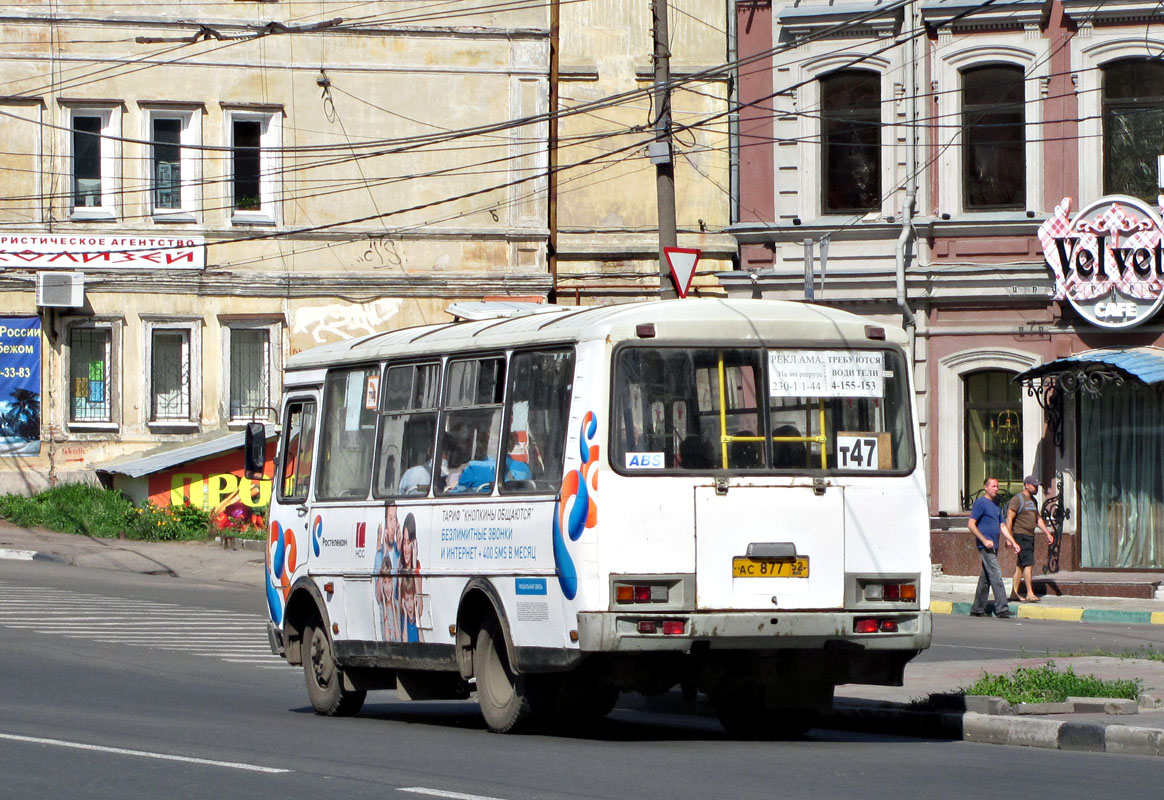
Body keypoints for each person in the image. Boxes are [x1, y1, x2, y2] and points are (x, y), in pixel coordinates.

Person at [967, 477, 1019, 619]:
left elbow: (1002, 526)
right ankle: (1002, 608)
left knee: (986, 577)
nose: (996, 489)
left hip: (994, 544)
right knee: (996, 574)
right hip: (986, 545)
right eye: (993, 486)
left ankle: (977, 608)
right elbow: (971, 524)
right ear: (986, 487)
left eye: (997, 486)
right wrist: (984, 540)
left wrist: (1012, 541)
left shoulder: (996, 505)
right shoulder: (980, 503)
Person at [1006, 474, 1054, 603]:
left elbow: (1038, 518)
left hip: (1030, 535)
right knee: (1029, 563)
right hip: (1020, 534)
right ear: (1027, 485)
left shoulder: (1033, 501)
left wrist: (1047, 533)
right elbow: (1009, 518)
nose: (1037, 488)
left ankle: (1014, 593)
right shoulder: (1017, 499)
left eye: (1037, 485)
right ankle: (1029, 593)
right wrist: (1009, 537)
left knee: (1020, 566)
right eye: (1034, 485)